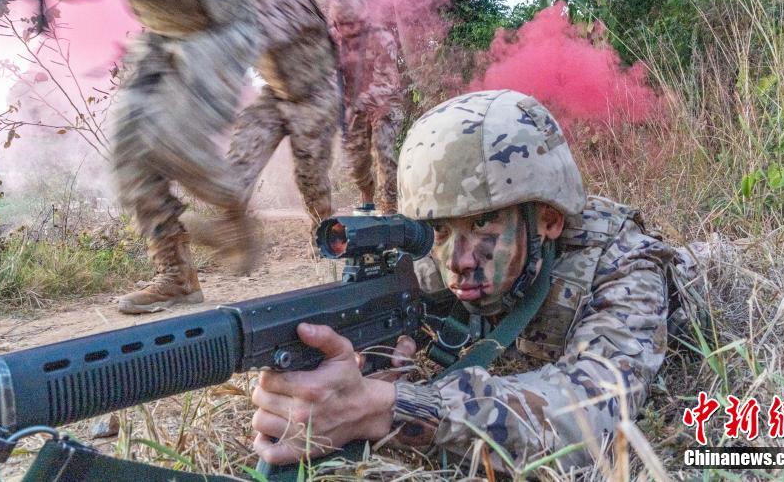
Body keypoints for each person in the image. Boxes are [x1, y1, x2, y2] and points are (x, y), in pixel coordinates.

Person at [250, 89, 699, 470]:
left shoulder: (624, 262)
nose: (457, 261)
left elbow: (595, 414)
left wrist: (388, 407)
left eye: (484, 224)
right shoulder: (440, 256)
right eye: (440, 229)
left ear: (548, 220)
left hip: (692, 277)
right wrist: (374, 357)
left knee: (710, 253)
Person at [0, 0, 264, 314]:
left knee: (173, 142)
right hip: (161, 32)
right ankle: (176, 275)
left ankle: (234, 213)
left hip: (217, 29)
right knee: (128, 152)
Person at [184, 0, 341, 264]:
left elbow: (253, 38)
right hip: (277, 95)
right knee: (241, 155)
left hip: (315, 97)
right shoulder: (249, 2)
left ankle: (327, 238)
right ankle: (231, 230)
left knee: (310, 179)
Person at [329, 0, 405, 214]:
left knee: (383, 150)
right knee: (356, 163)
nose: (346, 30)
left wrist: (358, 104)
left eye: (351, 24)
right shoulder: (331, 40)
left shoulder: (381, 38)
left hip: (384, 102)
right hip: (352, 108)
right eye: (340, 24)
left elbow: (388, 82)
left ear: (363, 20)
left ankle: (390, 208)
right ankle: (367, 201)